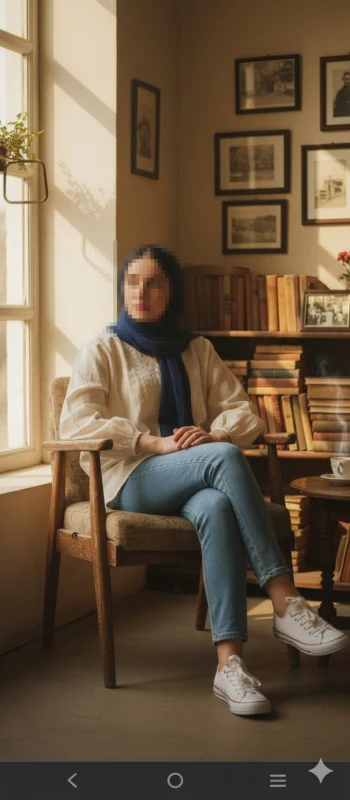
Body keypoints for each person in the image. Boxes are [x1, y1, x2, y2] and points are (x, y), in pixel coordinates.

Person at [60, 244, 349, 717]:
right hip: (129, 476)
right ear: (122, 287)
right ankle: (285, 600)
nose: (142, 292)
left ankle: (229, 666)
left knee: (216, 502)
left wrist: (213, 432)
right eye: (133, 281)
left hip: (191, 472)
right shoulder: (103, 347)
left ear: (171, 291)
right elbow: (76, 425)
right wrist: (153, 443)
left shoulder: (197, 348)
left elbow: (241, 410)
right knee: (223, 458)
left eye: (154, 282)